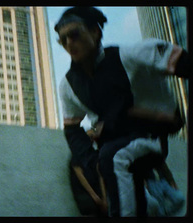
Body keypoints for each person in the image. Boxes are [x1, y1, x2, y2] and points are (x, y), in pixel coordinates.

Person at [54, 7, 190, 216]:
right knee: (114, 164)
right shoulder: (68, 86)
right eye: (62, 40)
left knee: (114, 157)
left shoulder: (129, 56)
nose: (69, 43)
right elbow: (72, 130)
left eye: (74, 34)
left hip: (150, 137)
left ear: (95, 32)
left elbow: (181, 61)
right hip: (114, 142)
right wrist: (92, 161)